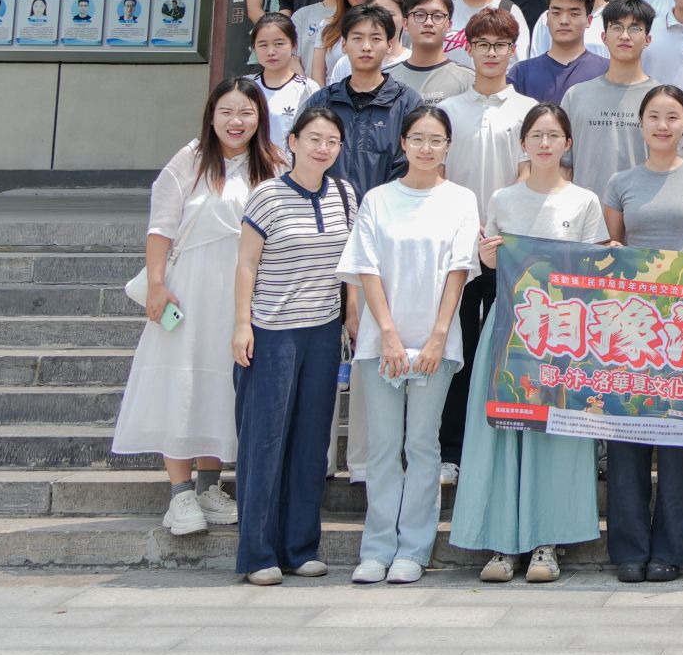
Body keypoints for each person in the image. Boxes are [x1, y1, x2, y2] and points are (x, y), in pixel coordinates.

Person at [114, 78, 284, 538]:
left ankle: (211, 485)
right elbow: (161, 228)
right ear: (211, 115)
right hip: (188, 289)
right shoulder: (187, 162)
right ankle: (180, 493)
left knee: (221, 383)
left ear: (259, 118)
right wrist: (155, 285)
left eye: (246, 112)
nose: (236, 121)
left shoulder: (273, 164)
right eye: (227, 111)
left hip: (244, 293)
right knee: (181, 380)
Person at [451, 103, 606, 585]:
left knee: (554, 437)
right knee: (500, 430)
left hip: (562, 330)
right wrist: (487, 257)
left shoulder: (584, 202)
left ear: (567, 143)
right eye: (535, 135)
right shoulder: (502, 199)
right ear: (523, 144)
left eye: (553, 135)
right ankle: (500, 544)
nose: (544, 143)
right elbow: (492, 267)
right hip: (509, 325)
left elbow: (594, 270)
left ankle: (547, 542)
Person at [337, 104, 479, 584]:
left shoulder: (461, 199)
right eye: (417, 138)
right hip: (383, 342)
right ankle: (376, 547)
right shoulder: (378, 199)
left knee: (422, 446)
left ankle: (414, 549)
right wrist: (389, 335)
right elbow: (367, 268)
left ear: (447, 147)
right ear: (403, 143)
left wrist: (438, 335)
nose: (425, 148)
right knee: (381, 446)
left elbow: (459, 270)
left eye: (435, 140)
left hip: (438, 340)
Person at [600, 87, 683, 580]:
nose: (663, 125)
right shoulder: (620, 182)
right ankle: (629, 549)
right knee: (628, 434)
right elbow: (614, 243)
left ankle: (670, 550)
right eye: (654, 116)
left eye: (673, 116)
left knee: (678, 437)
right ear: (641, 123)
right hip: (631, 323)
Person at [230, 104, 353, 584]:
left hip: (324, 332)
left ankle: (300, 548)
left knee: (310, 442)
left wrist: (352, 320)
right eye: (315, 139)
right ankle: (258, 553)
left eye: (332, 142)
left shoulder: (346, 194)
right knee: (264, 442)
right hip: (272, 333)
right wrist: (243, 324)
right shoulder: (267, 197)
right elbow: (246, 265)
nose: (323, 149)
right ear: (293, 142)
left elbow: (352, 268)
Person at [434, 7, 537, 483]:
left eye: (501, 45)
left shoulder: (527, 111)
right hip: (457, 248)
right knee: (458, 348)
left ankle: (502, 442)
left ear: (514, 51)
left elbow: (526, 176)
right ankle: (451, 450)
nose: (491, 53)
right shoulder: (449, 112)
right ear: (468, 49)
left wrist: (499, 233)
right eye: (482, 45)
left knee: (506, 349)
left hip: (509, 248)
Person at [311, 5, 423, 199]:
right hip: (328, 216)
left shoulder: (407, 103)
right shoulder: (322, 101)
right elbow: (304, 159)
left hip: (387, 215)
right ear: (344, 44)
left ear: (389, 44)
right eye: (357, 38)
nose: (366, 46)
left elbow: (414, 164)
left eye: (376, 38)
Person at [563, 0, 659, 195]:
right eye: (616, 27)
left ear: (648, 39)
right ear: (604, 37)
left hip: (640, 218)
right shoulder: (576, 96)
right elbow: (563, 165)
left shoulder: (660, 99)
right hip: (585, 219)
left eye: (634, 28)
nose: (625, 36)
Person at [510, 0, 609, 104]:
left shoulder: (606, 70)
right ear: (546, 18)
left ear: (589, 20)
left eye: (574, 14)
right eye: (556, 13)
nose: (564, 21)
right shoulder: (522, 72)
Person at [391, 0, 475, 106]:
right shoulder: (386, 79)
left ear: (449, 25)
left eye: (438, 16)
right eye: (419, 15)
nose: (428, 23)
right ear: (405, 23)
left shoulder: (468, 80)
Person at [247, 13, 317, 148]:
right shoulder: (245, 87)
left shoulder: (308, 88)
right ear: (254, 48)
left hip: (292, 167)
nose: (271, 51)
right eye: (263, 45)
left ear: (294, 45)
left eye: (279, 43)